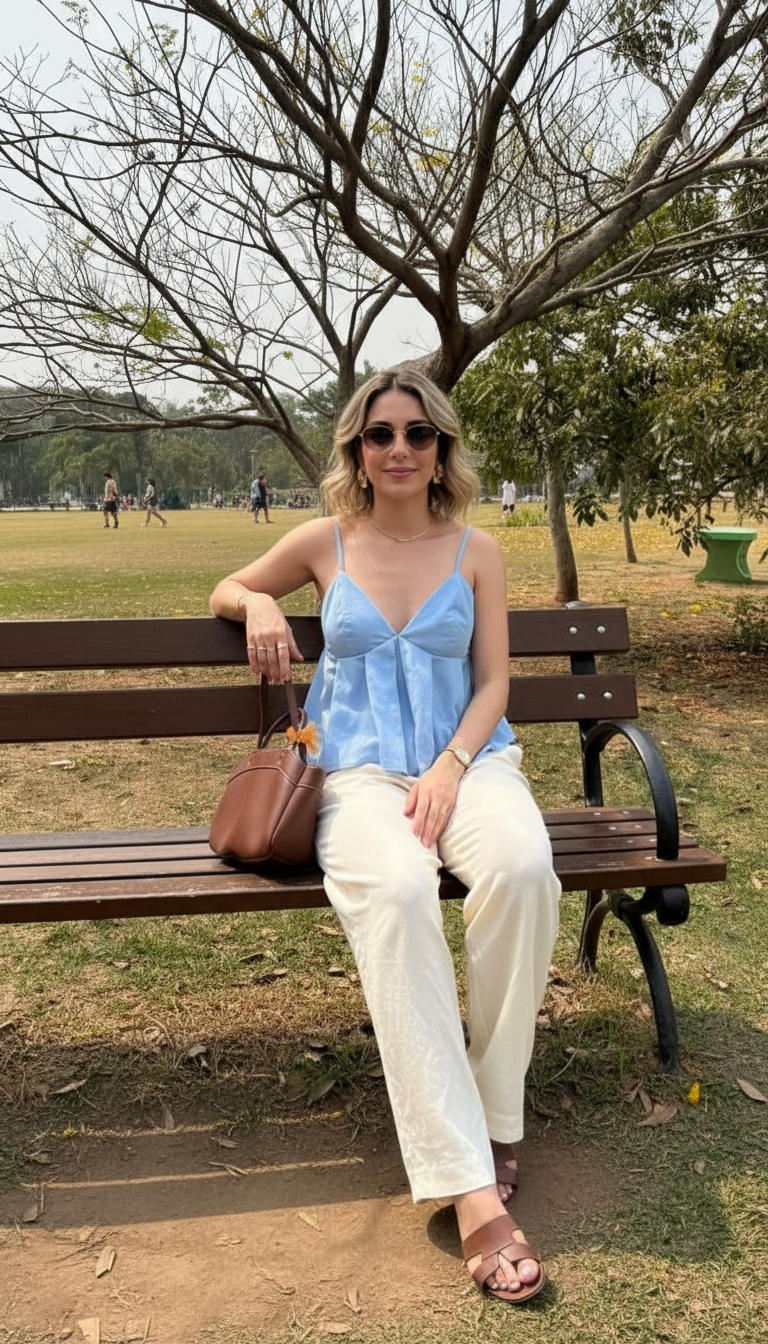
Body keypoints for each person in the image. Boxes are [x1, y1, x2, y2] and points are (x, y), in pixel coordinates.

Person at [210, 369, 560, 1306]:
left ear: (442, 448)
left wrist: (451, 766)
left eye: (418, 434)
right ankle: (469, 1186)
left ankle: (495, 1113)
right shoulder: (325, 541)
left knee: (525, 870)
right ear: (355, 451)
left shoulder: (477, 550)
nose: (399, 449)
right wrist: (261, 604)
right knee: (402, 894)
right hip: (357, 777)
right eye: (379, 435)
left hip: (470, 766)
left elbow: (494, 685)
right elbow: (228, 583)